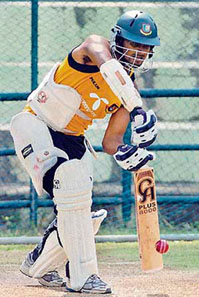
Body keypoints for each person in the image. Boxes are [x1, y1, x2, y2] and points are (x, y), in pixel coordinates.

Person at [10, 10, 160, 294]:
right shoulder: (93, 48)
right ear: (118, 40)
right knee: (72, 185)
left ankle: (39, 263)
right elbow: (109, 69)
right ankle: (83, 278)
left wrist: (129, 154)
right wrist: (137, 107)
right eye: (134, 44)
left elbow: (111, 142)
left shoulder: (130, 93)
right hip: (36, 125)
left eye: (145, 47)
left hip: (73, 141)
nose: (139, 53)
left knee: (83, 216)